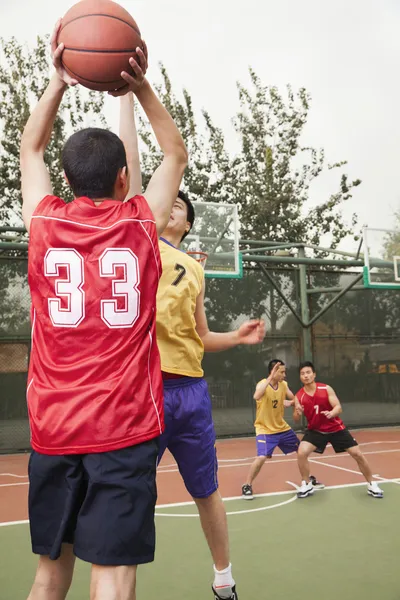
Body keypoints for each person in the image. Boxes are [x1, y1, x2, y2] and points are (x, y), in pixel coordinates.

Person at [20, 23, 187, 600]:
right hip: (123, 428)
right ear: (123, 179)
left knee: (49, 573)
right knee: (112, 577)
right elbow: (174, 152)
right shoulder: (141, 223)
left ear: (66, 181)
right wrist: (139, 87)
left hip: (54, 427)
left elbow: (30, 147)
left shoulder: (43, 222)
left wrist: (58, 80)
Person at [156, 192, 266, 600]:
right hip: (144, 389)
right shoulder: (138, 245)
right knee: (129, 490)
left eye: (179, 206)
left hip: (189, 392)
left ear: (186, 225)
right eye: (165, 200)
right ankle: (114, 581)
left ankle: (224, 579)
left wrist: (236, 337)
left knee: (206, 491)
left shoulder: (194, 270)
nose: (170, 205)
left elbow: (200, 336)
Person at [293, 361, 384, 499]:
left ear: (314, 374)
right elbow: (295, 419)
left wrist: (332, 413)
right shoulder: (299, 396)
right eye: (302, 374)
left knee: (357, 454)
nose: (305, 376)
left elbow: (338, 407)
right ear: (300, 377)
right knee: (301, 452)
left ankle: (372, 484)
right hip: (316, 430)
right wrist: (297, 413)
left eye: (308, 372)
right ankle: (306, 483)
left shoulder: (326, 389)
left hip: (335, 428)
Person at [241, 359, 323, 500]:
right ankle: (247, 485)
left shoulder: (283, 385)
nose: (284, 375)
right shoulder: (263, 384)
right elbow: (256, 396)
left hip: (282, 428)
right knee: (261, 457)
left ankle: (308, 479)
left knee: (301, 451)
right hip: (265, 429)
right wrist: (270, 378)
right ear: (273, 372)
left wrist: (295, 404)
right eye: (282, 372)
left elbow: (295, 397)